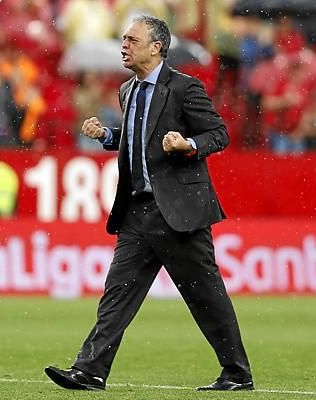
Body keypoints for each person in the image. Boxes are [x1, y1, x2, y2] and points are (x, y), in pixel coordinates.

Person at [44, 15, 253, 392]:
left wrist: (188, 145)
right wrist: (107, 135)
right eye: (123, 39)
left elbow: (218, 134)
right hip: (137, 211)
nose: (123, 46)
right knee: (117, 294)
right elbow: (137, 137)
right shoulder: (127, 90)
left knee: (205, 296)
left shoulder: (184, 88)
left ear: (156, 48)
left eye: (132, 40)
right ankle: (90, 370)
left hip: (179, 213)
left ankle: (237, 373)